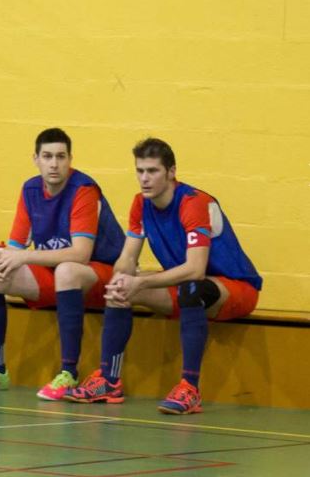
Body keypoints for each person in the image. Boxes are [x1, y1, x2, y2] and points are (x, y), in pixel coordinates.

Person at [64, 138, 262, 414]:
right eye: (140, 171)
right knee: (120, 285)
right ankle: (109, 380)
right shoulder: (140, 204)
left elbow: (196, 269)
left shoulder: (193, 202)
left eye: (153, 171)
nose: (144, 179)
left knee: (191, 287)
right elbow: (128, 258)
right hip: (185, 286)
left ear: (171, 172)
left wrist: (140, 280)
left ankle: (190, 388)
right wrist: (120, 279)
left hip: (235, 289)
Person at [0, 128, 125, 401]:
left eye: (61, 156)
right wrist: (4, 256)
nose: (54, 163)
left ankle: (68, 373)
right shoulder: (30, 189)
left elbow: (81, 254)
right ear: (36, 159)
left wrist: (23, 256)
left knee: (68, 269)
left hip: (102, 276)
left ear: (70, 159)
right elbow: (15, 247)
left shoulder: (83, 189)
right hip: (59, 275)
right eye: (47, 156)